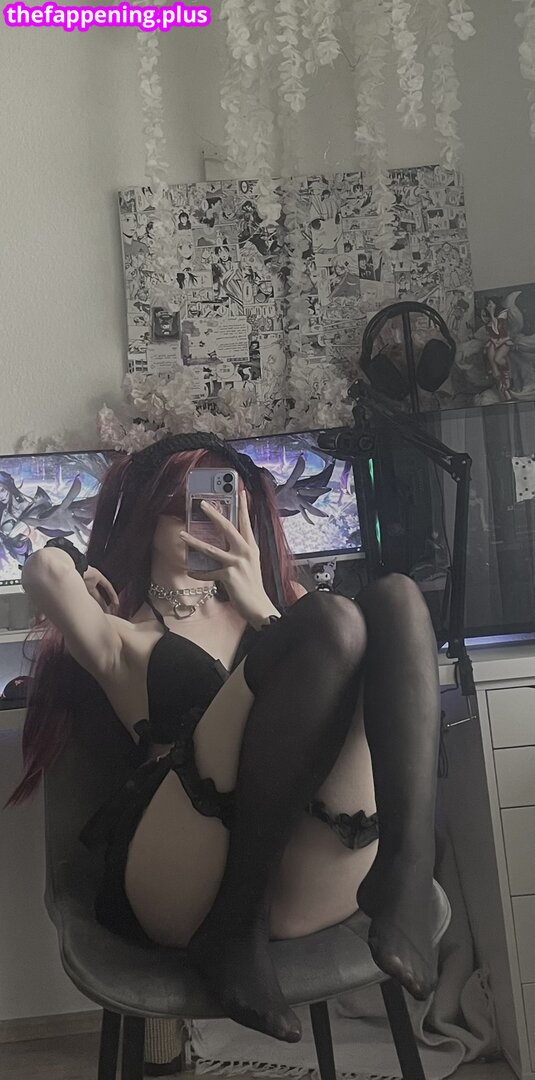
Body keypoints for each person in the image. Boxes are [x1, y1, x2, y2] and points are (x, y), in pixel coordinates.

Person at [8, 433, 441, 1045]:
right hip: (185, 877)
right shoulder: (119, 635)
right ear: (147, 514)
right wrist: (74, 559)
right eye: (189, 506)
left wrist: (259, 602)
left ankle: (405, 872)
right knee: (331, 618)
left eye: (224, 506)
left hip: (301, 874)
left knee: (395, 598)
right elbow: (43, 572)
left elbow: (321, 667)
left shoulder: (290, 615)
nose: (208, 523)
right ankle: (234, 926)